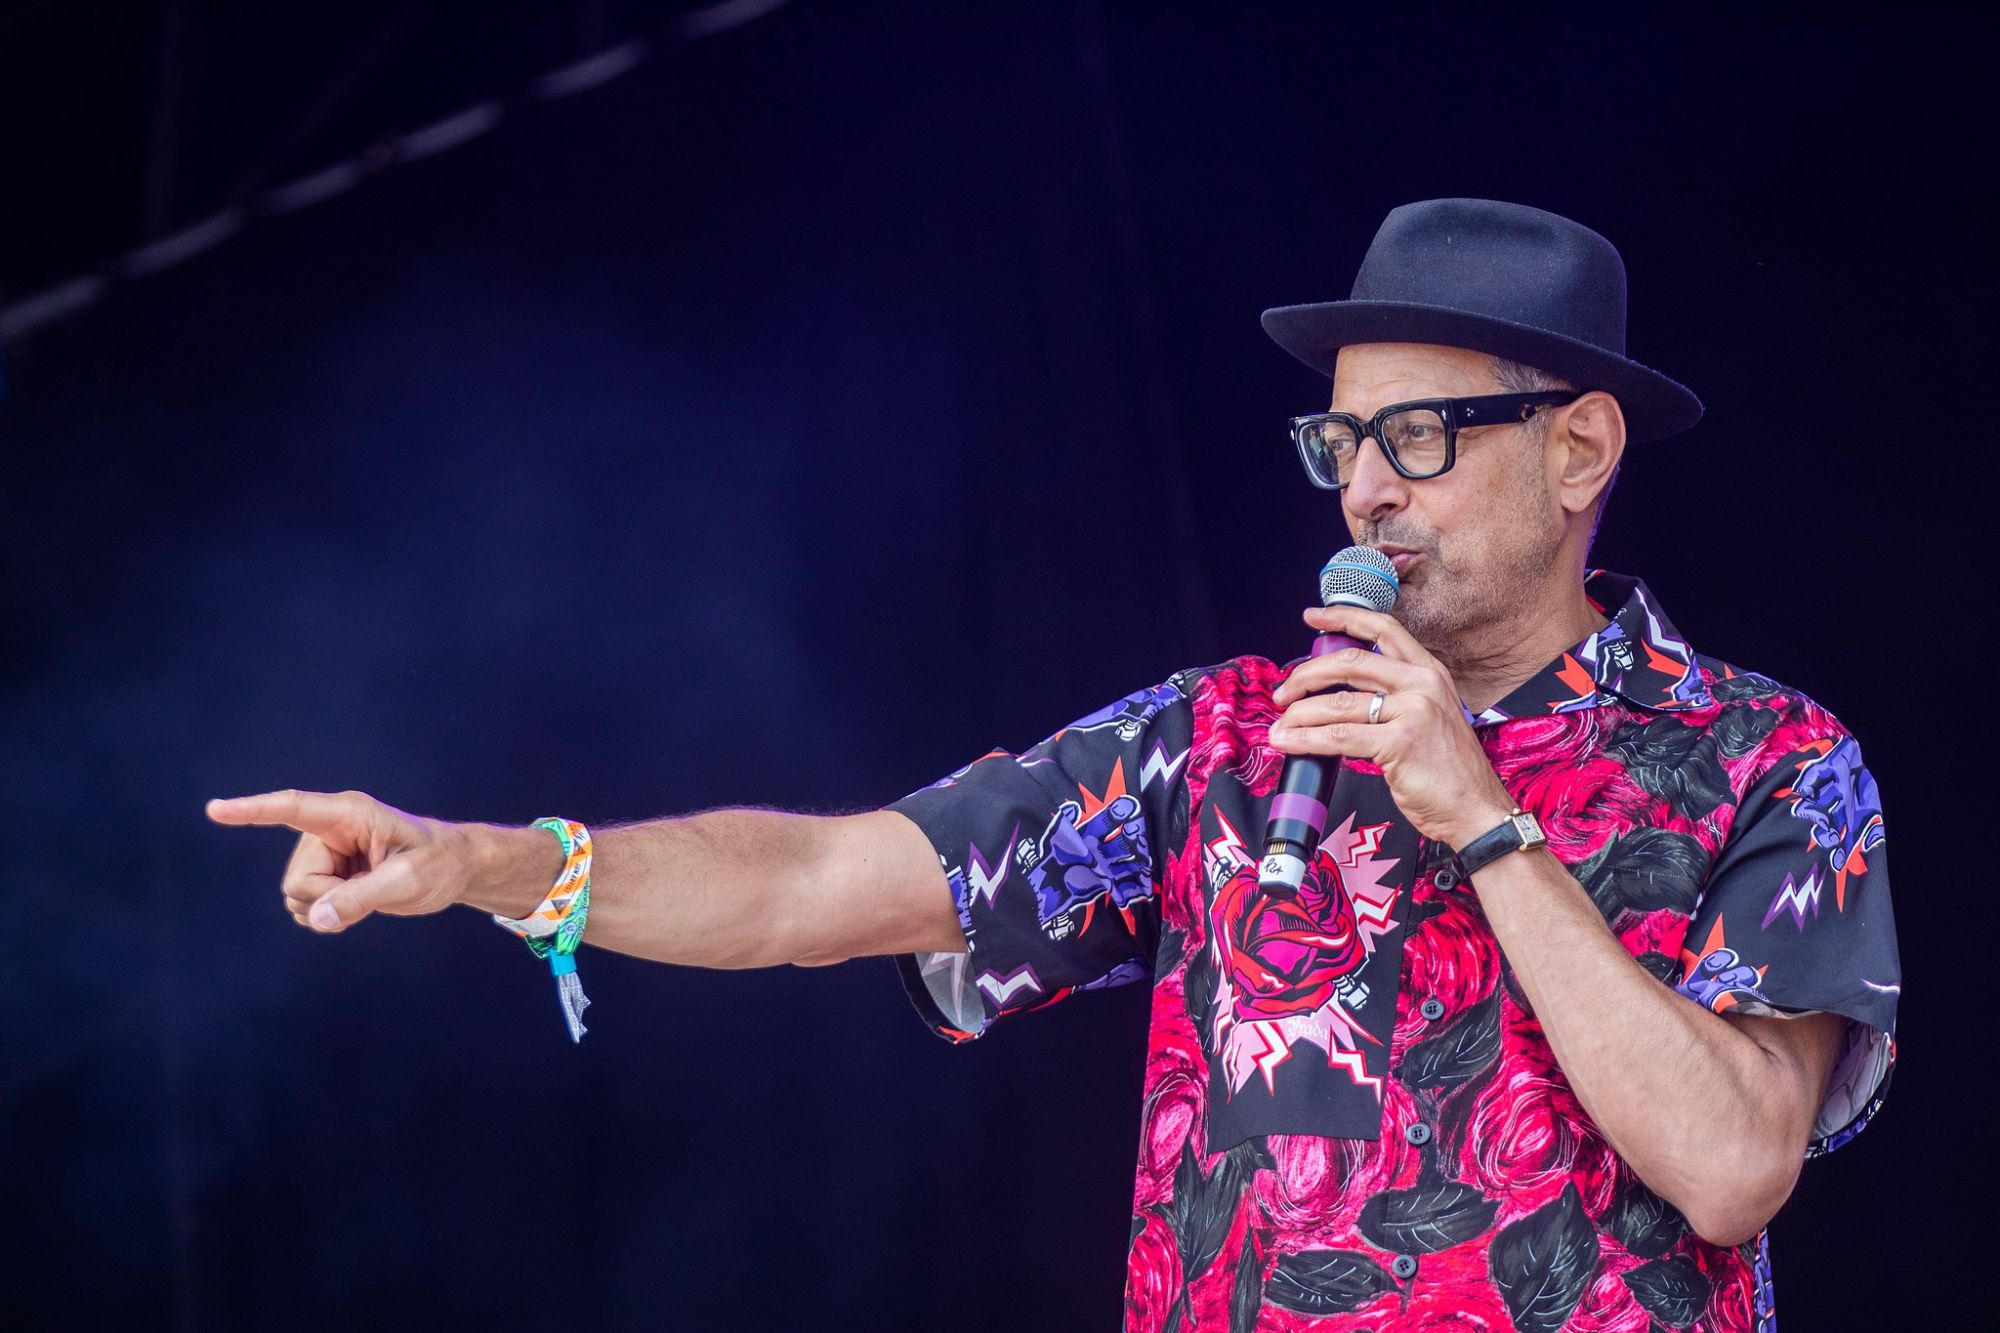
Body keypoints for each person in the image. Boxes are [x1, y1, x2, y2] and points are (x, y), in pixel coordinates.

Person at [206, 198, 1900, 1332]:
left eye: (1418, 436)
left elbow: (1734, 1163)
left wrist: (1486, 823)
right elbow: (820, 882)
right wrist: (493, 861)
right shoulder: (1216, 742)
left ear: (1580, 448)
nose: (1365, 489)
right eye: (1340, 439)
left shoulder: (1770, 759)